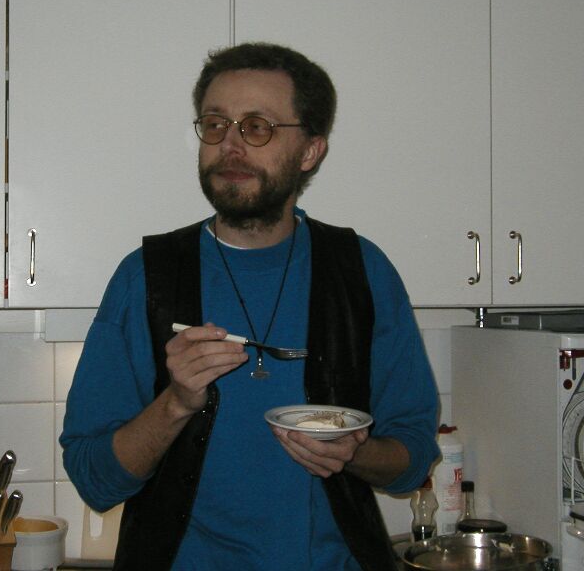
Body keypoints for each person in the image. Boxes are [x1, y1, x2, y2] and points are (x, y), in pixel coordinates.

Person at [61, 42, 440, 571]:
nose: (230, 145)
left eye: (257, 127)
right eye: (216, 125)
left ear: (310, 151)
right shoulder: (146, 276)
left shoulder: (361, 271)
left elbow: (412, 458)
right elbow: (93, 479)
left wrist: (354, 452)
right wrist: (176, 403)